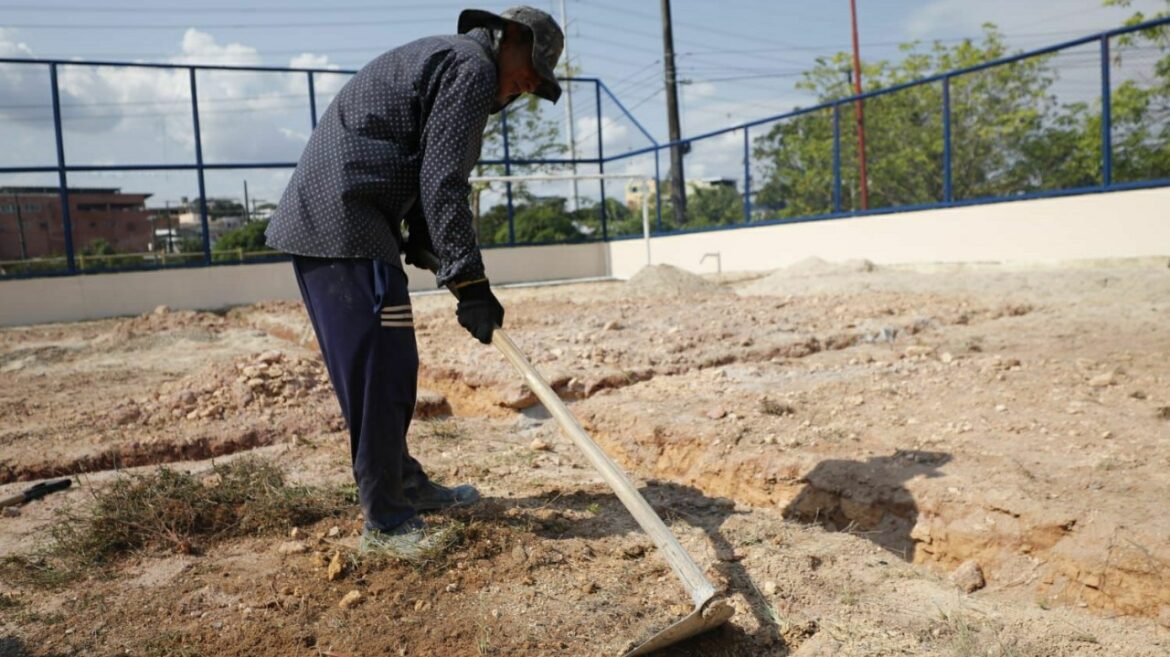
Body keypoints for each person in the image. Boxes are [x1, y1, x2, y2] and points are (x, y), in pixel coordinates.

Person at [264, 6, 564, 559]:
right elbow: (444, 179)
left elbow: (425, 168)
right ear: (511, 38)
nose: (527, 85)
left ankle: (404, 483)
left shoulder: (447, 60)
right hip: (344, 223)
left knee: (392, 364)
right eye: (532, 69)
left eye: (537, 85)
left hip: (346, 221)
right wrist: (470, 282)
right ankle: (387, 522)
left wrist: (428, 239)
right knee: (378, 374)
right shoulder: (472, 67)